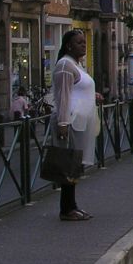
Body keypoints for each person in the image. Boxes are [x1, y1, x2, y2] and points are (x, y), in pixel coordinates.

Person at [52, 30, 101, 221]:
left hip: (81, 122)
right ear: (69, 45)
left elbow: (77, 90)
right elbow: (63, 96)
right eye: (79, 42)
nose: (83, 45)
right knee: (69, 164)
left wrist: (93, 95)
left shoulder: (76, 65)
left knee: (75, 165)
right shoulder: (65, 65)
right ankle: (66, 208)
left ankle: (72, 205)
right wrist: (63, 122)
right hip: (71, 122)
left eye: (84, 42)